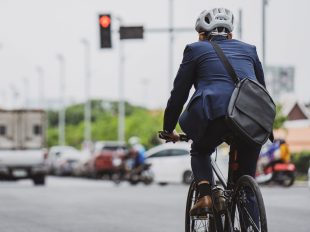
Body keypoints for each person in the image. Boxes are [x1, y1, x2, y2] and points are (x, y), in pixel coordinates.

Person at [160, 8, 266, 216]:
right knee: (246, 187)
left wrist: (168, 129)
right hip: (253, 119)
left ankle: (206, 195)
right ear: (230, 34)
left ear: (201, 34)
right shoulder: (249, 50)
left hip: (215, 115)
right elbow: (261, 89)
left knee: (200, 150)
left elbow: (179, 94)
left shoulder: (195, 50)